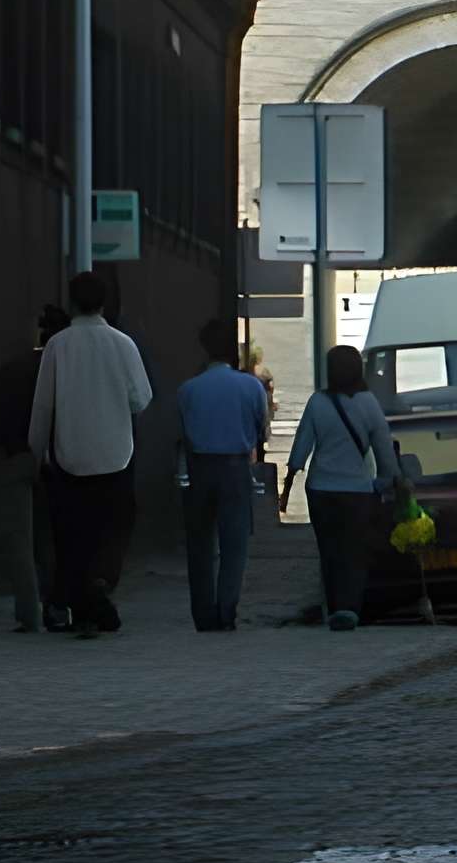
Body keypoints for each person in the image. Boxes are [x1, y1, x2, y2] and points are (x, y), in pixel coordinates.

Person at [28, 270, 153, 639]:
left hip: (69, 455)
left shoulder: (58, 346)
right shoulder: (122, 344)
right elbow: (141, 398)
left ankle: (81, 606)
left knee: (72, 535)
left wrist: (36, 452)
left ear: (72, 302)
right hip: (116, 453)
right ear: (104, 303)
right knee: (111, 529)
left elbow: (43, 406)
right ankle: (99, 586)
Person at [280, 343, 405, 630]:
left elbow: (301, 448)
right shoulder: (369, 403)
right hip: (358, 491)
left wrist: (287, 487)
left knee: (329, 550)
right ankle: (349, 609)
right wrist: (390, 482)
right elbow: (384, 449)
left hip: (320, 488)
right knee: (355, 551)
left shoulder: (317, 402)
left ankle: (332, 605)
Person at [0, 305, 66, 632]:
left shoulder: (12, 369)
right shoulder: (63, 371)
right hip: (57, 459)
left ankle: (28, 612)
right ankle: (58, 607)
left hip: (15, 457)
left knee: (20, 539)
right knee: (53, 537)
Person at [175, 317, 270, 632]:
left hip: (200, 468)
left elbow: (183, 433)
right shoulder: (251, 386)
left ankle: (203, 613)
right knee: (235, 544)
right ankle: (227, 609)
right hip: (235, 466)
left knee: (200, 545)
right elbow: (261, 431)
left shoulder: (188, 389)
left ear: (203, 349)